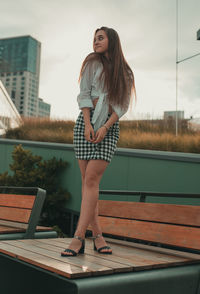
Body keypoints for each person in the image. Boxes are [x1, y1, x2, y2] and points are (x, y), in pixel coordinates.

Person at [61, 26, 136, 257]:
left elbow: (121, 106)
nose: (96, 41)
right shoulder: (92, 63)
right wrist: (88, 123)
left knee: (91, 180)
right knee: (88, 185)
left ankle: (78, 238)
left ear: (112, 40)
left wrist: (104, 127)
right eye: (94, 38)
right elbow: (84, 94)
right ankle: (99, 236)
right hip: (86, 123)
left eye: (100, 38)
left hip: (108, 126)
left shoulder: (125, 72)